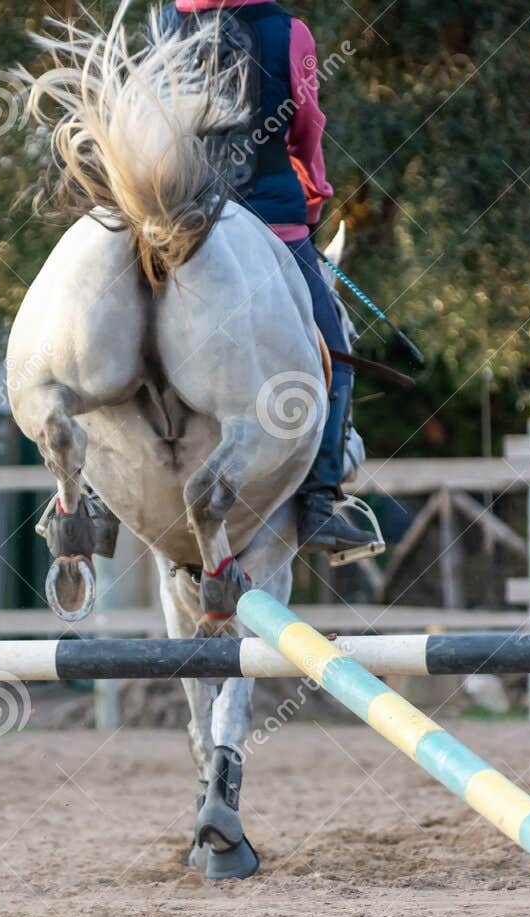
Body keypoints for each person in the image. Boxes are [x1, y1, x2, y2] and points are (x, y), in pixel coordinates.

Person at [169, 0, 376, 554]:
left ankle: (87, 494)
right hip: (272, 220)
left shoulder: (163, 21)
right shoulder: (290, 32)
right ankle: (321, 504)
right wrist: (316, 200)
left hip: (180, 223)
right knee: (333, 356)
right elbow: (306, 126)